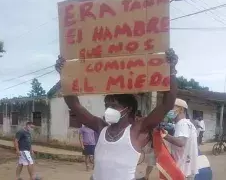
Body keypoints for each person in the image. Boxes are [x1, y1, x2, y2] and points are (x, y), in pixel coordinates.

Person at [55, 48, 178, 180]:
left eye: (113, 106)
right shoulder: (101, 127)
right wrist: (64, 74)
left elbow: (167, 104)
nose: (108, 110)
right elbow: (75, 106)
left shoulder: (137, 129)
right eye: (107, 106)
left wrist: (171, 71)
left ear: (128, 108)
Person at [164, 99, 199, 180]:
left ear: (181, 109)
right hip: (188, 168)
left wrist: (165, 135)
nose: (169, 111)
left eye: (171, 108)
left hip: (182, 170)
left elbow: (181, 142)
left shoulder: (182, 123)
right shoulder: (188, 124)